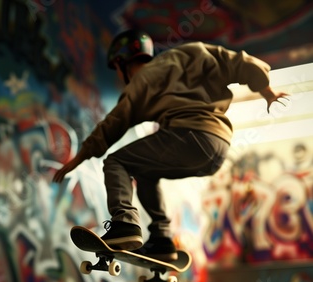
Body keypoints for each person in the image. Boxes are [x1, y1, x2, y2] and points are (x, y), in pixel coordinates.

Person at [52, 30, 289, 260]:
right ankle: (161, 241)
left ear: (123, 63)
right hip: (218, 146)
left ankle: (124, 224)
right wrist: (267, 91)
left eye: (117, 69)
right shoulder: (190, 53)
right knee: (145, 170)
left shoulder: (140, 83)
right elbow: (239, 62)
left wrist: (76, 159)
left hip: (190, 136)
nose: (118, 77)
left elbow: (110, 126)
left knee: (116, 162)